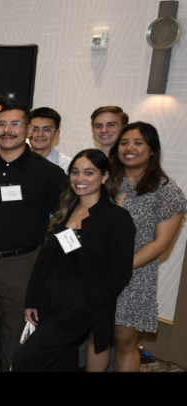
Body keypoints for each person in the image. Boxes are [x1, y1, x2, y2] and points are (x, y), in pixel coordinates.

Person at [0, 102, 66, 372]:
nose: (7, 130)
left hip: (23, 264)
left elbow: (62, 220)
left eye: (15, 124)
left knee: (17, 335)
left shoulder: (49, 173)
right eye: (2, 124)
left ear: (29, 129)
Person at [13, 150, 134, 372]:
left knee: (24, 360)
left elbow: (120, 272)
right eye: (75, 172)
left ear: (104, 176)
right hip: (50, 300)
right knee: (59, 363)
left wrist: (90, 303)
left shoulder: (116, 218)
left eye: (89, 172)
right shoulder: (65, 211)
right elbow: (45, 260)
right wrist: (32, 299)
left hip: (79, 307)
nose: (80, 179)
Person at [89, 123, 186, 372]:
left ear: (152, 149)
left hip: (134, 276)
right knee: (96, 337)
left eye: (138, 142)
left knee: (124, 342)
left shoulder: (166, 191)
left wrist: (118, 268)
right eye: (124, 142)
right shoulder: (106, 181)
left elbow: (161, 243)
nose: (129, 148)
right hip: (93, 272)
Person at [29, 107, 72, 171]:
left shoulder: (67, 166)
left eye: (47, 129)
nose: (40, 134)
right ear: (27, 132)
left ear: (57, 133)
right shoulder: (16, 161)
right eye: (35, 129)